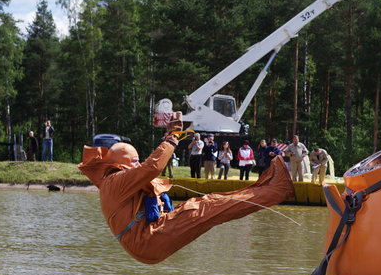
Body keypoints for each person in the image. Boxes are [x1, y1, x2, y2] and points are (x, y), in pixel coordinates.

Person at [77, 113, 294, 264]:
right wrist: (172, 137)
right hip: (147, 241)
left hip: (149, 239)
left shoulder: (117, 180)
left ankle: (268, 187)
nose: (137, 164)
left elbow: (147, 169)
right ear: (120, 163)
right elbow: (152, 167)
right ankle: (277, 189)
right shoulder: (116, 181)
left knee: (212, 204)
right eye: (134, 161)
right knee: (208, 206)